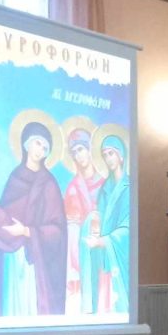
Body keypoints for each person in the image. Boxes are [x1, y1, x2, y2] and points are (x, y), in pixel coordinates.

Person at [0, 121, 67, 316]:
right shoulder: (15, 178)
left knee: (29, 307)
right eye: (38, 143)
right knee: (12, 307)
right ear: (27, 144)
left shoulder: (49, 184)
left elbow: (57, 230)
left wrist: (27, 231)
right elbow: (3, 216)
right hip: (12, 259)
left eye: (45, 148)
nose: (40, 150)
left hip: (33, 262)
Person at [82, 134, 130, 314]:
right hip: (103, 257)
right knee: (102, 302)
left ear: (121, 156)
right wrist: (93, 221)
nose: (108, 158)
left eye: (111, 153)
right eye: (105, 155)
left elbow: (128, 227)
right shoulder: (104, 188)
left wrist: (104, 241)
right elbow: (100, 217)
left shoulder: (129, 187)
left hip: (116, 254)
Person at [63, 126, 105, 314]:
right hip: (83, 252)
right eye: (74, 152)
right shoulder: (73, 188)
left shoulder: (105, 184)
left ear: (89, 150)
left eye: (81, 149)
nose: (78, 156)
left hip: (102, 249)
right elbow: (72, 228)